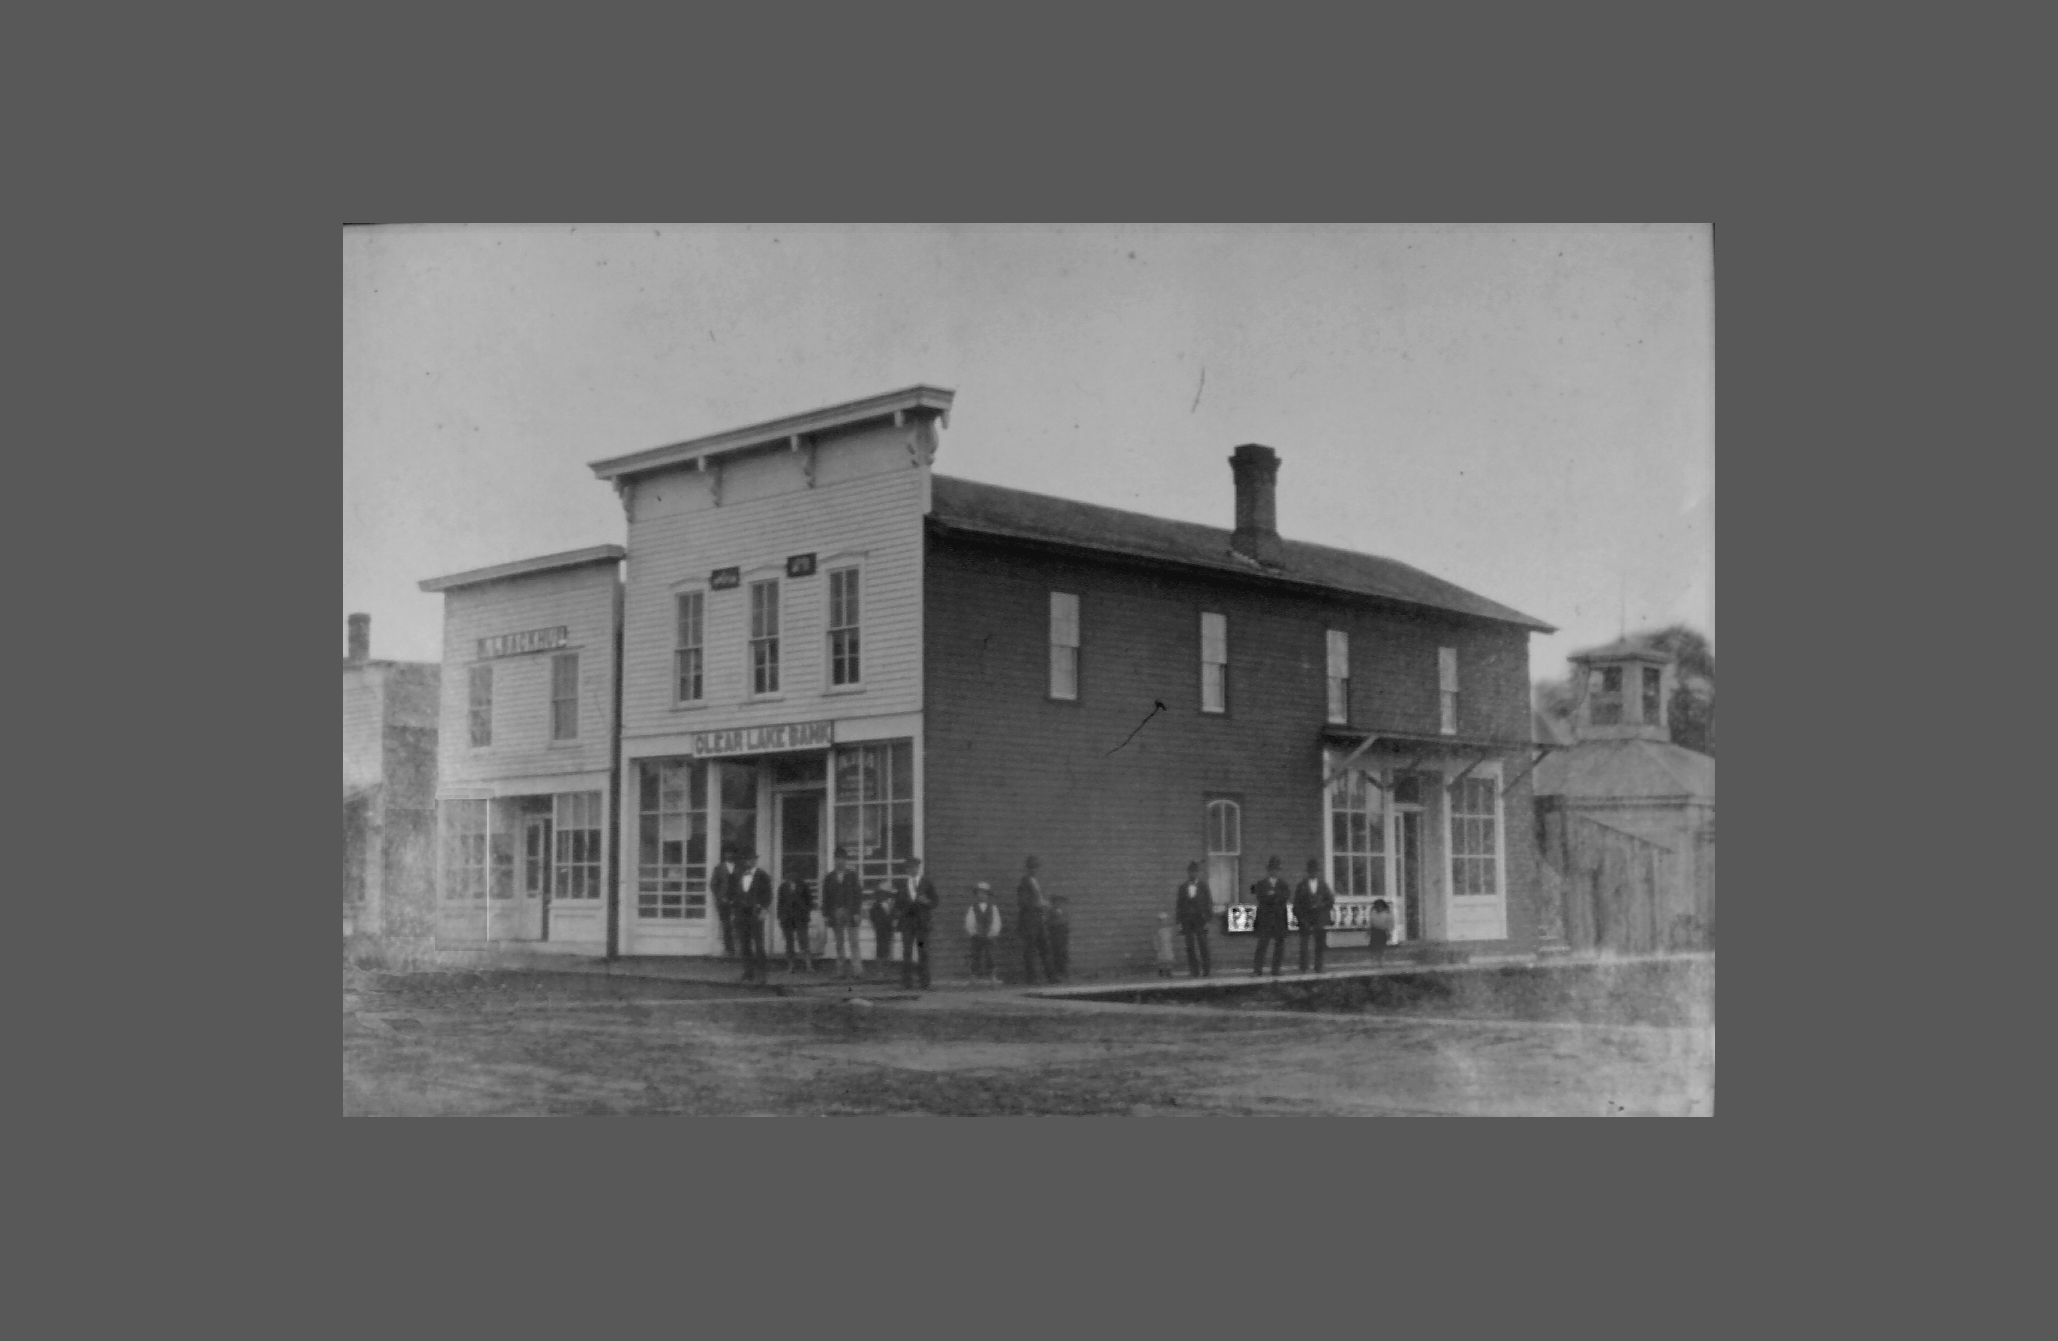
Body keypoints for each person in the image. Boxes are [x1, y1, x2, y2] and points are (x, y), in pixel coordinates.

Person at [892, 857, 941, 990]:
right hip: (908, 924)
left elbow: (935, 901)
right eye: (909, 868)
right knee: (907, 952)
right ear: (906, 870)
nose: (911, 870)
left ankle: (924, 983)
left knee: (922, 951)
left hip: (921, 924)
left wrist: (927, 902)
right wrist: (899, 913)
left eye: (914, 867)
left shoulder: (927, 882)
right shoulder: (902, 884)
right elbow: (897, 904)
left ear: (918, 868)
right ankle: (907, 983)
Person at [821, 846, 866, 978]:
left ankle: (857, 970)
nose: (839, 861)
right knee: (839, 942)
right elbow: (825, 898)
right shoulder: (829, 878)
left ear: (846, 861)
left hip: (850, 911)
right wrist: (826, 915)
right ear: (834, 860)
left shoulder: (852, 876)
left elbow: (858, 895)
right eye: (837, 859)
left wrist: (857, 912)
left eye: (842, 859)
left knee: (854, 942)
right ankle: (840, 971)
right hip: (835, 911)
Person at [733, 852, 773, 983]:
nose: (748, 862)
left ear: (755, 860)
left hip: (755, 913)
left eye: (751, 859)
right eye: (746, 860)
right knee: (744, 944)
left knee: (759, 944)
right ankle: (748, 972)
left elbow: (768, 895)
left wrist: (764, 910)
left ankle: (762, 974)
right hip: (742, 914)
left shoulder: (762, 875)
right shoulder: (740, 874)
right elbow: (736, 893)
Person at [1292, 857, 1337, 974]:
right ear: (1308, 872)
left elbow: (1331, 901)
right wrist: (1301, 918)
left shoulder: (1323, 886)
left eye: (1315, 871)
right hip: (1306, 917)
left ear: (1317, 872)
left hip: (1319, 918)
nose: (1313, 873)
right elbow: (1296, 904)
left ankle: (1319, 967)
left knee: (1320, 944)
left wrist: (1321, 905)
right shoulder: (1301, 886)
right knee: (1304, 945)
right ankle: (1303, 968)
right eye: (1311, 870)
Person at [1016, 855, 1055, 984]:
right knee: (1030, 950)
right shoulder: (1024, 882)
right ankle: (1032, 978)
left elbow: (1037, 899)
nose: (1034, 870)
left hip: (1039, 919)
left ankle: (1051, 976)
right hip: (1029, 921)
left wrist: (1044, 904)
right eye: (1032, 867)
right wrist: (1039, 905)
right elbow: (1023, 902)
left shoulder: (1036, 882)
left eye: (1036, 867)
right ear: (1028, 868)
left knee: (1045, 948)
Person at [1251, 856, 1291, 976]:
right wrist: (1273, 897)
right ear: (1268, 870)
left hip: (1279, 918)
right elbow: (1260, 897)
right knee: (1262, 944)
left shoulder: (1283, 885)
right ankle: (1258, 970)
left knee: (1279, 945)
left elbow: (1285, 897)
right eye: (1272, 869)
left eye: (1277, 869)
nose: (1274, 872)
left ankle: (1276, 970)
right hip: (1265, 918)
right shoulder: (1261, 884)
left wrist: (1273, 895)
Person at [1174, 861, 1214, 978]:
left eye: (1195, 872)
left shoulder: (1203, 886)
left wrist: (1207, 920)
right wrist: (1179, 922)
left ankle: (1206, 970)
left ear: (1198, 873)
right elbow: (1179, 905)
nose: (1193, 874)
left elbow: (1208, 903)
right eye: (1191, 872)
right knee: (1189, 945)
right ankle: (1194, 970)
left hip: (1200, 919)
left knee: (1203, 944)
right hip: (1187, 919)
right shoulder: (1183, 887)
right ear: (1188, 873)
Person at [776, 864, 816, 973]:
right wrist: (780, 917)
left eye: (793, 874)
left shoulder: (803, 886)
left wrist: (804, 911)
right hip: (787, 918)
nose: (791, 876)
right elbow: (780, 903)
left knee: (803, 940)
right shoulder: (783, 887)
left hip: (801, 917)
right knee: (789, 942)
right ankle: (791, 966)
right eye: (788, 874)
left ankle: (808, 965)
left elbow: (810, 902)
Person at [964, 881, 1003, 984]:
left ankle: (992, 975)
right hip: (977, 936)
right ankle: (974, 976)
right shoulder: (973, 908)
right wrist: (973, 931)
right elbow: (970, 921)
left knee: (990, 956)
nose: (982, 896)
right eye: (979, 893)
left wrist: (993, 932)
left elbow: (996, 921)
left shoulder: (993, 908)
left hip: (989, 936)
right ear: (976, 895)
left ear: (988, 895)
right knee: (976, 956)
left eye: (984, 893)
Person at [709, 845, 740, 959]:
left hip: (738, 900)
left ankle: (740, 949)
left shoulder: (740, 868)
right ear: (724, 855)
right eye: (727, 853)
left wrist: (738, 897)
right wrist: (721, 897)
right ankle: (729, 949)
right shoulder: (719, 868)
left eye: (732, 853)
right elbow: (713, 885)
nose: (730, 855)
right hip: (723, 901)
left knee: (738, 924)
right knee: (726, 925)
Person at [867, 879, 898, 976]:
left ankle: (887, 969)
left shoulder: (892, 902)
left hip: (889, 926)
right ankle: (880, 970)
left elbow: (895, 913)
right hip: (880, 927)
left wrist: (894, 920)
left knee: (889, 947)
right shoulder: (876, 904)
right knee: (880, 947)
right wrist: (876, 923)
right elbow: (872, 915)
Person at [1047, 894, 1072, 981]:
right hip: (1055, 934)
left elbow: (1065, 924)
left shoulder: (1062, 912)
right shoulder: (1052, 911)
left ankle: (1063, 972)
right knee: (1057, 953)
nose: (1059, 904)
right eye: (1057, 902)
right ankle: (1058, 972)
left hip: (1061, 934)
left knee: (1062, 953)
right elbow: (1050, 923)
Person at [1153, 913, 1177, 978]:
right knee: (1161, 959)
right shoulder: (1158, 931)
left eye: (1164, 920)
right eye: (1161, 921)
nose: (1163, 922)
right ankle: (1161, 970)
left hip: (1168, 946)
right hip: (1161, 946)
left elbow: (1171, 937)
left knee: (1169, 958)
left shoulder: (1169, 930)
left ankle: (1169, 971)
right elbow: (1156, 939)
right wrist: (1157, 946)